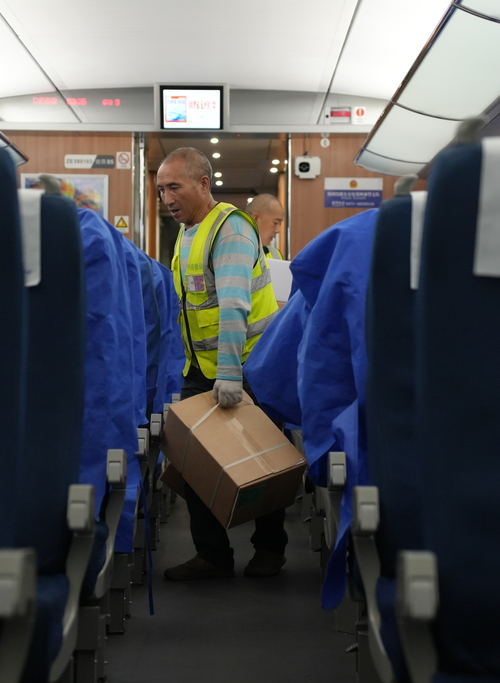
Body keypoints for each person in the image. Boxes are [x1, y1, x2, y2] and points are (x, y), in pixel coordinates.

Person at [157, 147, 288, 580]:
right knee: (195, 462)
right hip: (202, 368)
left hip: (249, 365)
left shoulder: (229, 230)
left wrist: (230, 374)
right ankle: (212, 556)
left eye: (174, 187)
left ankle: (270, 550)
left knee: (263, 462)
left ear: (202, 184)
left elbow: (233, 305)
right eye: (160, 190)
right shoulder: (188, 232)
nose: (167, 198)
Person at [246, 193, 285, 259]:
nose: (278, 230)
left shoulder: (276, 254)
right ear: (256, 218)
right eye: (275, 223)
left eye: (279, 224)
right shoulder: (235, 252)